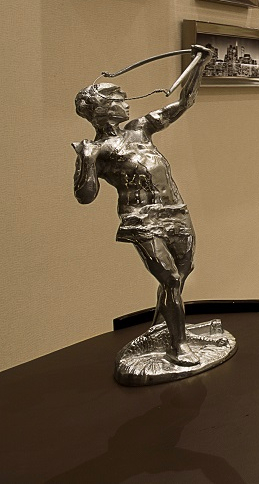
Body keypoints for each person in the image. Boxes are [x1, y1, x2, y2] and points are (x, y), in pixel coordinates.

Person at [72, 45, 213, 366]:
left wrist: (200, 65)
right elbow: (85, 196)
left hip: (176, 211)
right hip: (141, 219)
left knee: (182, 274)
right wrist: (86, 161)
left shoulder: (140, 129)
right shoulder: (97, 149)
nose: (126, 103)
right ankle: (178, 345)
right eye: (119, 100)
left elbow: (184, 102)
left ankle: (162, 328)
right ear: (103, 110)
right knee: (170, 279)